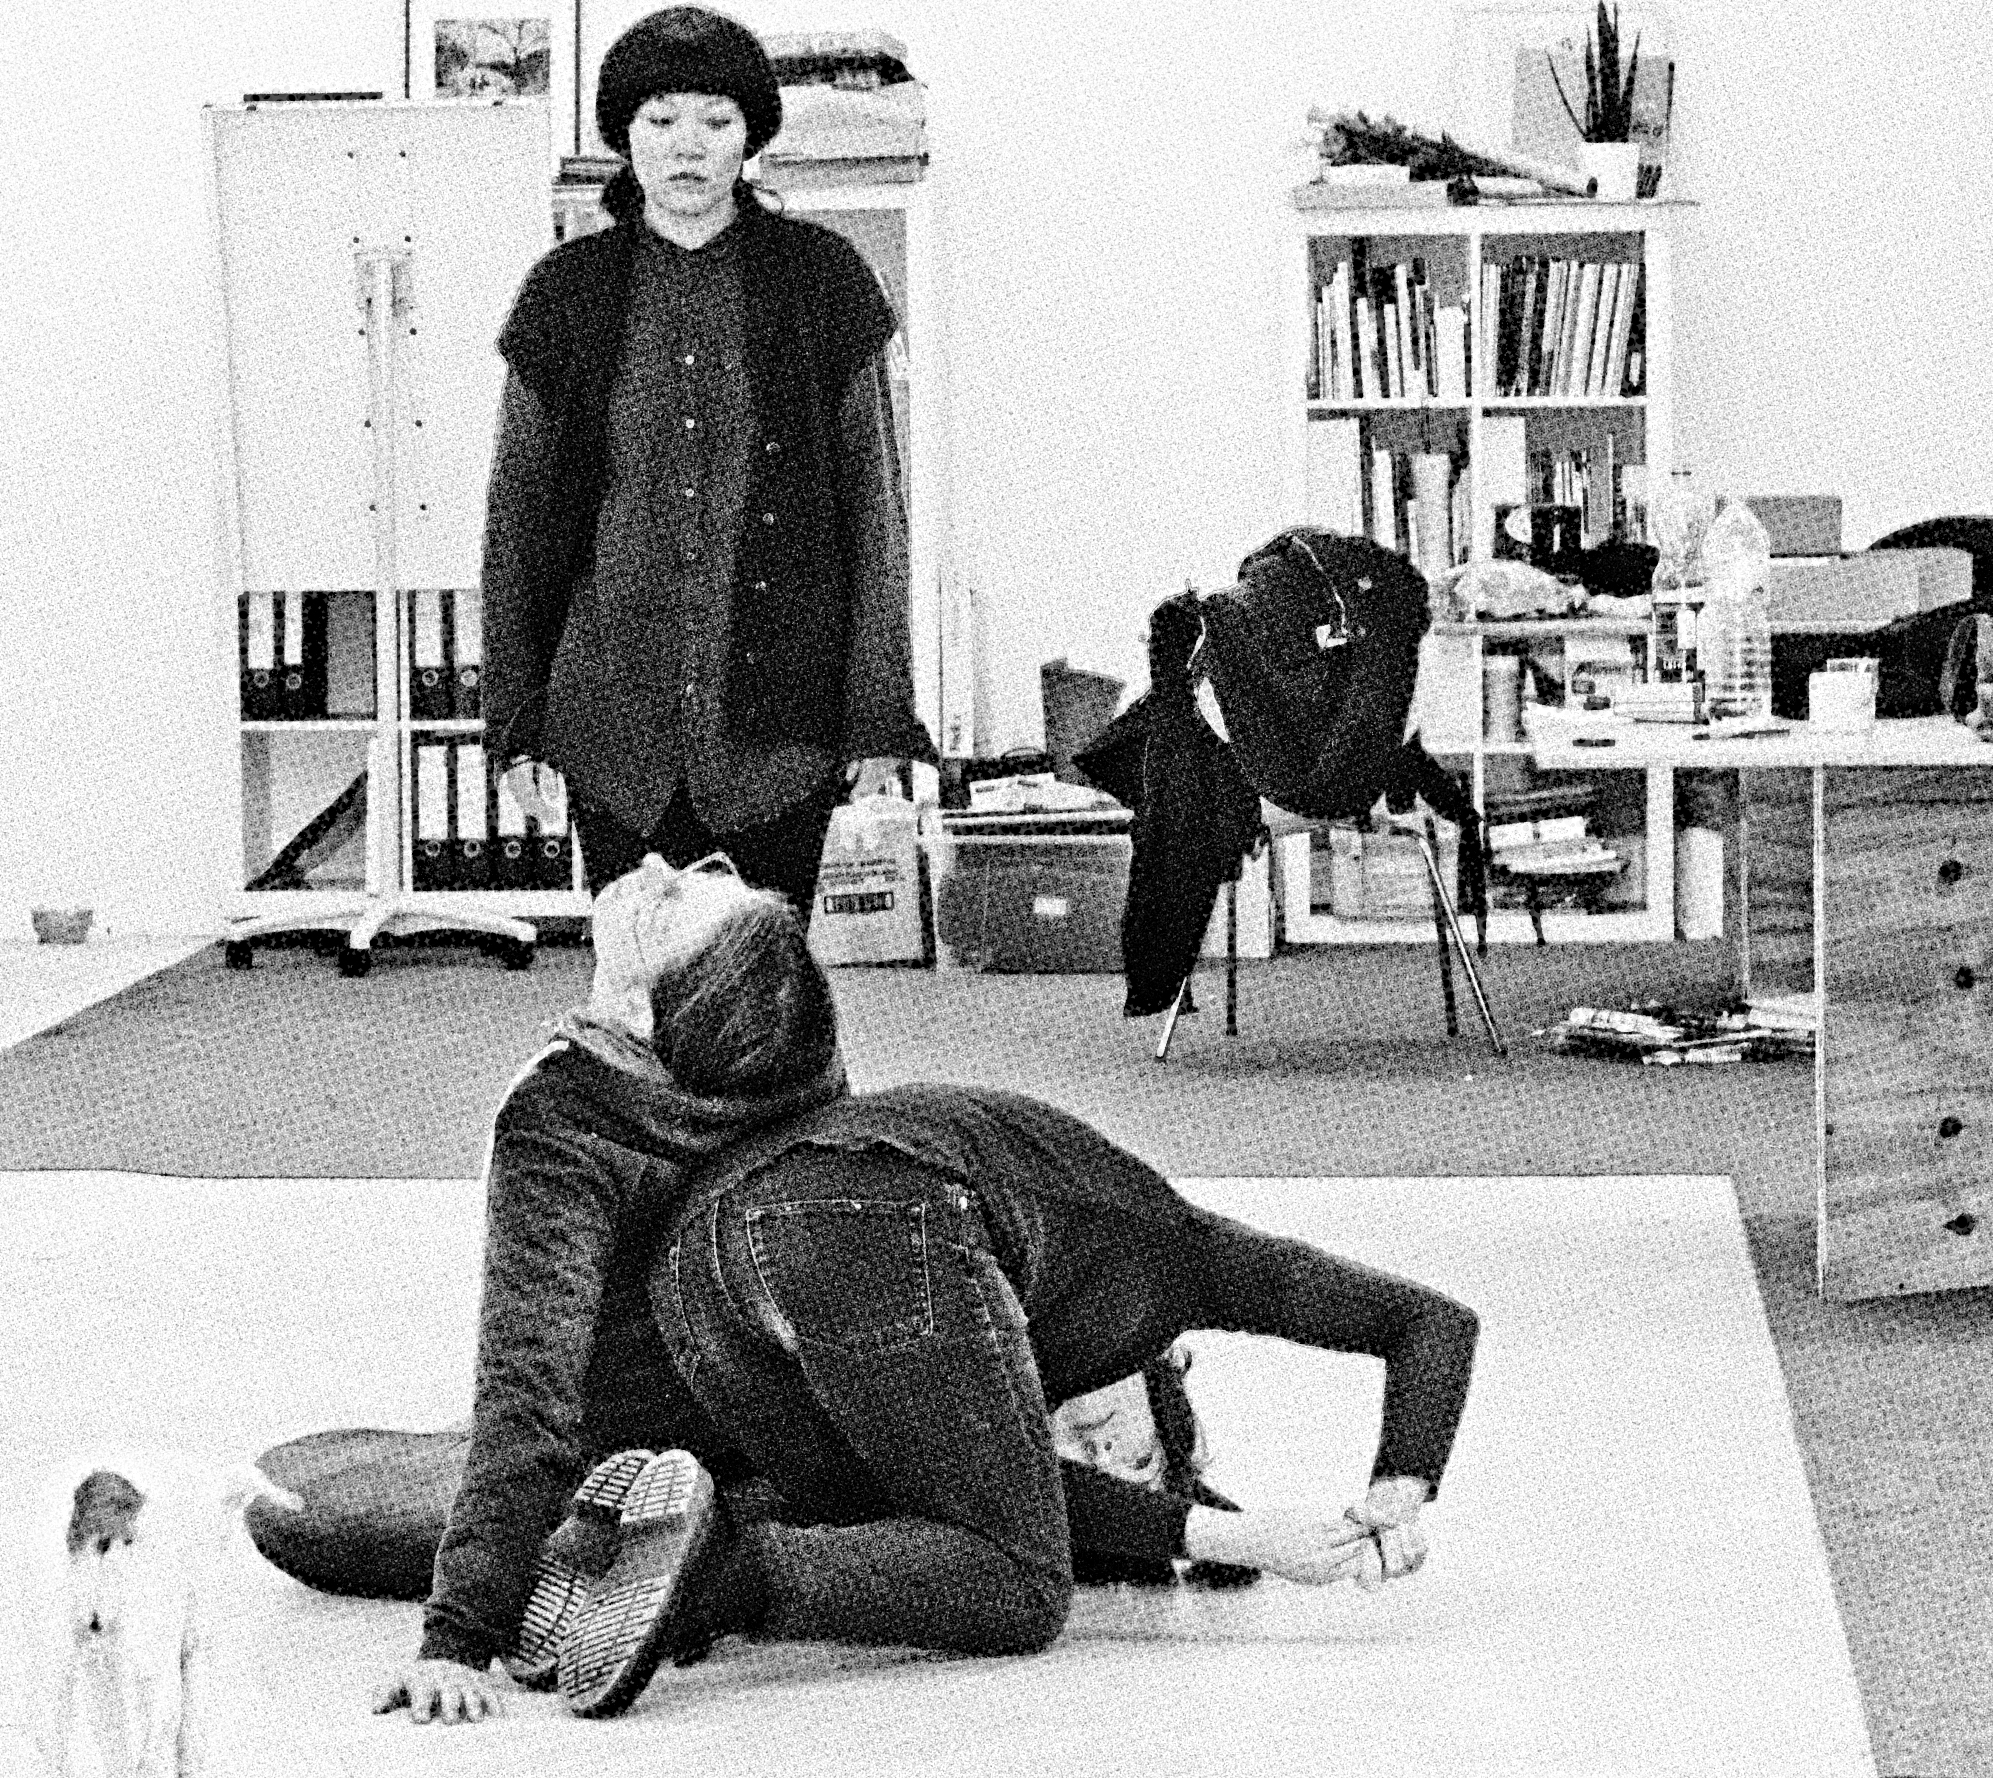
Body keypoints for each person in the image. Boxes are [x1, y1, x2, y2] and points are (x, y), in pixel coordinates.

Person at [255, 851, 1478, 1725]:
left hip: (741, 1394)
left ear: (635, 1007)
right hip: (647, 1399)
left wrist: (1281, 1519)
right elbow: (529, 1388)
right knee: (303, 1503)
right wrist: (458, 1631)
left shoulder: (755, 1048)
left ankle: (673, 1551)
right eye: (1126, 1437)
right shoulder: (576, 1114)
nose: (669, 864)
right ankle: (666, 1556)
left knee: (323, 1507)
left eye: (679, 891)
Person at [482, 6, 936, 914]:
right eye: (661, 120)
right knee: (640, 982)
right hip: (613, 725)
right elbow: (516, 526)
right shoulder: (564, 294)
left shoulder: (824, 281)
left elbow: (874, 515)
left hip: (782, 731)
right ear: (624, 137)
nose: (688, 146)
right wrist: (516, 725)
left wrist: (877, 716)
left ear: (750, 138)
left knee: (761, 980)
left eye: (716, 121)